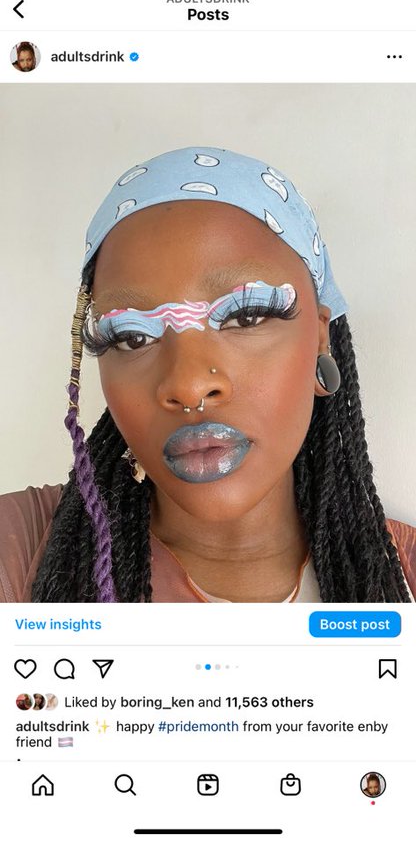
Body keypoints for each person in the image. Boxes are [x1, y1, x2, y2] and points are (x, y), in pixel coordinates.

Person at [0, 147, 415, 603]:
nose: (189, 386)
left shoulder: (403, 575)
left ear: (319, 339)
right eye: (132, 337)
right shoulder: (17, 547)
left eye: (245, 316)